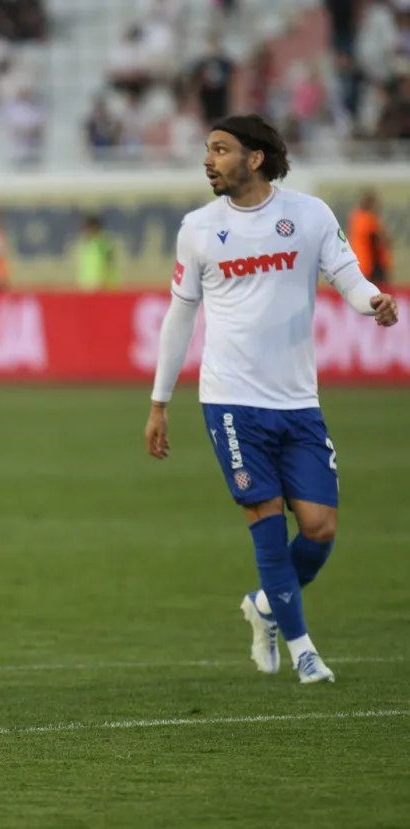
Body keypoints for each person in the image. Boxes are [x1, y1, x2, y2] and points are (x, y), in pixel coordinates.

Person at [144, 114, 398, 684]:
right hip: (231, 401)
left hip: (297, 400)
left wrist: (374, 302)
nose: (208, 160)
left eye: (220, 149)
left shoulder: (309, 215)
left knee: (320, 528)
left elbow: (349, 277)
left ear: (255, 158)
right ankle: (304, 650)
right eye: (207, 149)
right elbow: (180, 317)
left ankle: (265, 606)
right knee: (265, 522)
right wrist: (160, 402)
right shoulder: (198, 229)